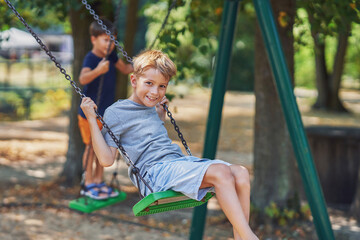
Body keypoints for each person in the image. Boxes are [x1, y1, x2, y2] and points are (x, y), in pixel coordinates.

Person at [80, 50, 258, 240]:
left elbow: (149, 136)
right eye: (149, 83)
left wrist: (160, 115)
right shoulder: (116, 112)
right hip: (153, 174)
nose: (155, 92)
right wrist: (91, 119)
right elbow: (106, 160)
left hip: (175, 163)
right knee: (221, 172)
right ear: (133, 81)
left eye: (162, 86)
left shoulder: (150, 107)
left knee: (240, 173)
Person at [78, 18, 133, 200]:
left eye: (113, 40)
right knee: (90, 148)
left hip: (105, 113)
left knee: (102, 148)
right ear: (94, 39)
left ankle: (99, 182)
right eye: (106, 40)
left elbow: (125, 69)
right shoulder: (91, 58)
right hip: (89, 113)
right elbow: (83, 79)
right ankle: (88, 183)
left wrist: (141, 65)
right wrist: (98, 71)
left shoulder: (111, 55)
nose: (110, 44)